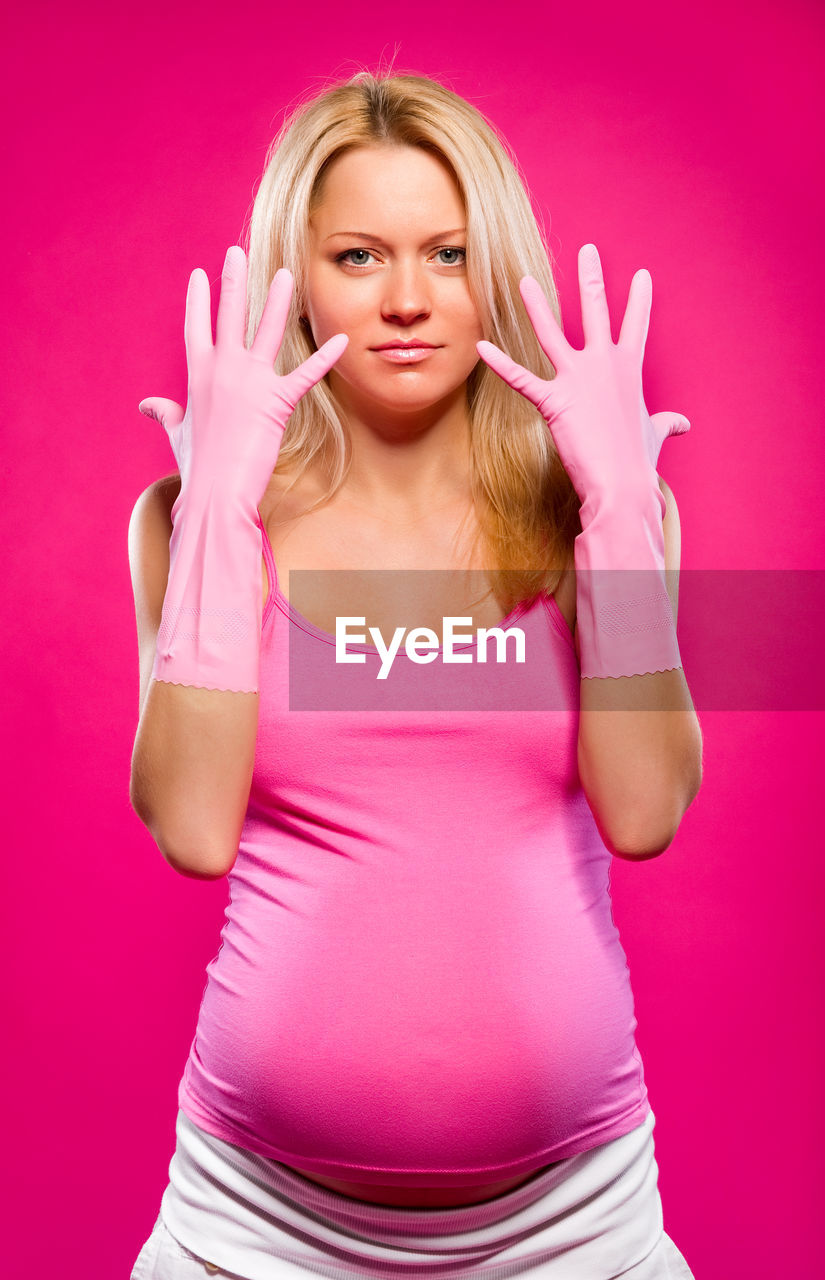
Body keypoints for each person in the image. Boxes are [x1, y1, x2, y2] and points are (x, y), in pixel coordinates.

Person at [127, 70, 702, 1280]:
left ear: (497, 264)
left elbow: (645, 812)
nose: (404, 300)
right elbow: (190, 825)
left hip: (577, 1225)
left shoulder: (607, 510)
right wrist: (223, 520)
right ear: (296, 272)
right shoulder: (188, 517)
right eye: (357, 255)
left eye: (446, 254)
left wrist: (616, 516)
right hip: (251, 1226)